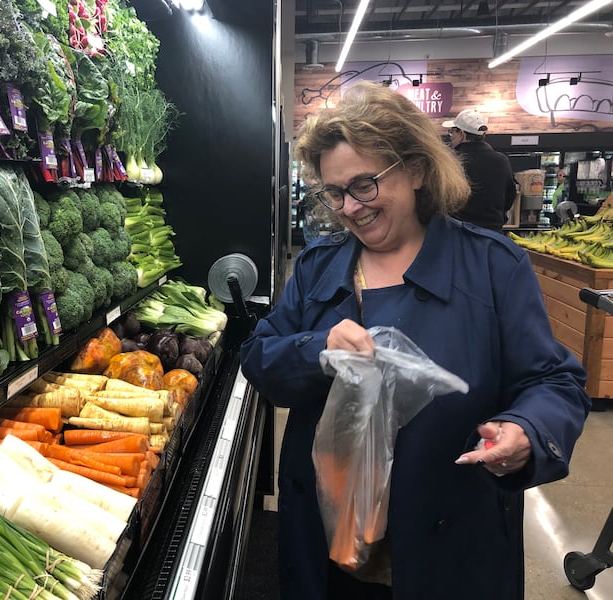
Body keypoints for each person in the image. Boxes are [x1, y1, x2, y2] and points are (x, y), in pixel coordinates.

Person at [240, 81, 590, 600]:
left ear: (417, 170)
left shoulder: (491, 267)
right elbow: (260, 356)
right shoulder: (319, 268)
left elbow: (554, 381)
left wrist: (526, 432)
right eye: (334, 192)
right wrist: (317, 350)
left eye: (364, 185)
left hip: (448, 544)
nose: (350, 208)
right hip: (330, 544)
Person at [442, 109, 517, 232]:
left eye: (452, 132)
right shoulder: (501, 160)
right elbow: (510, 195)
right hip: (493, 233)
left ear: (462, 134)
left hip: (458, 232)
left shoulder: (451, 161)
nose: (451, 137)